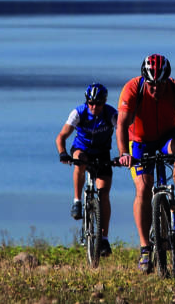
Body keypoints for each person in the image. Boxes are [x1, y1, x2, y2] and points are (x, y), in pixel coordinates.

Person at [115, 53, 175, 273]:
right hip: (140, 141)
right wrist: (124, 153)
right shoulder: (132, 88)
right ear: (145, 79)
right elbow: (122, 124)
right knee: (142, 189)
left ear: (167, 80)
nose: (155, 89)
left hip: (167, 136)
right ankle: (144, 249)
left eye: (160, 84)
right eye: (151, 84)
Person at [56, 82, 117, 258]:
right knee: (79, 161)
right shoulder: (79, 112)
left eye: (97, 103)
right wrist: (63, 153)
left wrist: (123, 154)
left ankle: (104, 238)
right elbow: (61, 137)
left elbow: (123, 131)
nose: (93, 107)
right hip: (82, 149)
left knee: (104, 191)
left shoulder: (111, 113)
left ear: (104, 102)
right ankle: (77, 200)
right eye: (90, 103)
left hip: (102, 153)